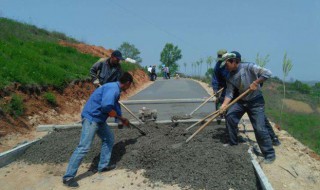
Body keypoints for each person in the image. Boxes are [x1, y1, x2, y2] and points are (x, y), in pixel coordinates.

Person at [62, 72, 133, 188]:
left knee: (108, 138)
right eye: (130, 85)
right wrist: (114, 115)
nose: (129, 87)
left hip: (99, 119)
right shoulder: (113, 89)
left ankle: (103, 166)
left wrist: (120, 119)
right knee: (84, 147)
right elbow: (106, 106)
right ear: (128, 83)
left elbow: (114, 108)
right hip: (91, 118)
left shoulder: (115, 89)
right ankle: (68, 177)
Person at [212, 50, 280, 146]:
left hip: (248, 93)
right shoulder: (220, 65)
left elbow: (264, 74)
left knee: (261, 119)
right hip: (232, 91)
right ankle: (233, 139)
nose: (225, 67)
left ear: (235, 61)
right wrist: (219, 96)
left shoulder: (245, 67)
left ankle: (273, 138)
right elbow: (216, 79)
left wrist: (257, 83)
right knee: (230, 115)